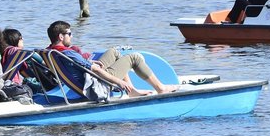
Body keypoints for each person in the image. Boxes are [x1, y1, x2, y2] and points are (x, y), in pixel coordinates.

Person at [45, 21, 177, 95]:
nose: (71, 36)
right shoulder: (68, 53)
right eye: (69, 33)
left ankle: (132, 91)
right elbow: (95, 71)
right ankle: (161, 88)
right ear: (61, 37)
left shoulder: (50, 51)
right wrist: (119, 82)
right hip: (93, 84)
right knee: (134, 58)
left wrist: (88, 62)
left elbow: (76, 65)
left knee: (113, 52)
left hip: (85, 77)